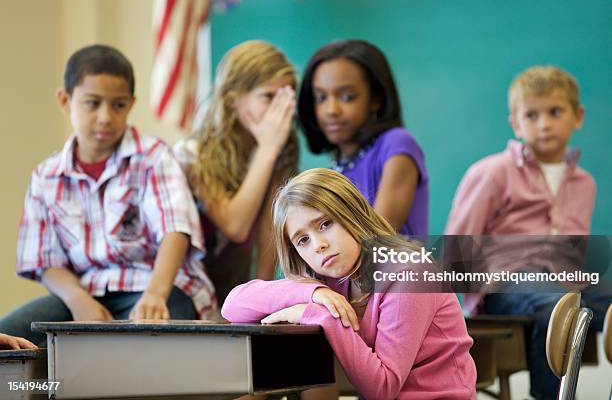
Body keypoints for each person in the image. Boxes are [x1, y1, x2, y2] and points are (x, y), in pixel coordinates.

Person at [0, 45, 214, 345]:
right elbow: (46, 261)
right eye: (92, 103)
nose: (105, 117)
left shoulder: (153, 157)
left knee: (161, 331)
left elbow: (175, 230)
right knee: (8, 333)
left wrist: (156, 293)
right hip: (84, 292)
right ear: (65, 100)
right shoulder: (45, 176)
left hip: (155, 285)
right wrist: (76, 299)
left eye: (118, 105)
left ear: (131, 105)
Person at [222, 168, 476, 400]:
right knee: (269, 371)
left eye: (325, 224)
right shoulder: (330, 282)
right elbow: (232, 306)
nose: (318, 244)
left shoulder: (408, 273)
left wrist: (320, 315)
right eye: (302, 240)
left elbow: (383, 388)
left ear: (352, 213)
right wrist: (312, 292)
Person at [446, 65, 612, 400]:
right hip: (506, 285)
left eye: (555, 112)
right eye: (532, 115)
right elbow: (458, 245)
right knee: (555, 304)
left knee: (575, 297)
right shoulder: (492, 173)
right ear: (516, 124)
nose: (544, 124)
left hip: (566, 281)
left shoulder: (585, 184)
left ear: (577, 117)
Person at [174, 40, 298, 305]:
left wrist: (261, 296)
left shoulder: (276, 151)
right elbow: (236, 227)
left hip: (234, 293)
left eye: (286, 97)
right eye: (268, 97)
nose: (282, 109)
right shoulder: (192, 154)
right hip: (188, 295)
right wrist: (266, 150)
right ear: (232, 100)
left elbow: (270, 233)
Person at [297, 40, 428, 237]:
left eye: (347, 97)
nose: (331, 110)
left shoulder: (397, 144)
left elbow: (376, 238)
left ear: (375, 98)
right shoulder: (336, 170)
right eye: (321, 98)